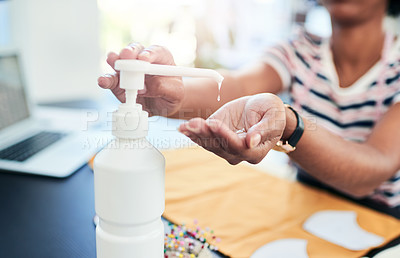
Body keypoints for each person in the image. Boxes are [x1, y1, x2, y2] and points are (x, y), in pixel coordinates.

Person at [98, 0, 400, 217]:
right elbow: (241, 87)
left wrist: (289, 124)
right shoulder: (299, 50)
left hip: (381, 224)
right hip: (301, 208)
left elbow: (372, 169)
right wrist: (171, 93)